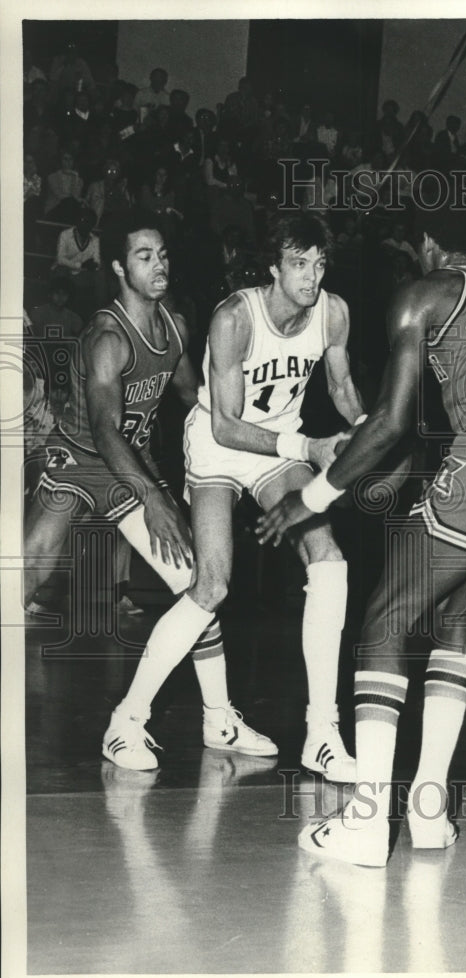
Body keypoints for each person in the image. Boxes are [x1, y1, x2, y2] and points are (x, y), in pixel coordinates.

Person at [258, 202, 466, 866]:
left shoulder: (422, 293)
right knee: (459, 611)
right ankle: (429, 812)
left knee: (387, 618)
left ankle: (363, 823)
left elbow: (389, 422)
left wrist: (314, 497)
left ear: (430, 243)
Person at [24, 208, 274, 770]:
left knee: (196, 583)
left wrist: (254, 413)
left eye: (161, 254)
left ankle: (217, 719)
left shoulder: (175, 323)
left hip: (127, 464)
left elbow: (194, 393)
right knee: (28, 572)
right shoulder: (107, 336)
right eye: (144, 256)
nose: (159, 265)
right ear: (117, 267)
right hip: (81, 458)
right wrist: (156, 497)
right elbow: (107, 430)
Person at [150, 212, 365, 783]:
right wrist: (310, 445)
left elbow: (341, 387)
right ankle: (130, 715)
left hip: (279, 449)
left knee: (331, 563)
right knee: (213, 585)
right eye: (299, 265)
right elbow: (226, 425)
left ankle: (323, 732)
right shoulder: (233, 318)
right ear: (274, 267)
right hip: (222, 446)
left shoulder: (333, 311)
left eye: (319, 264)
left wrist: (368, 430)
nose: (311, 277)